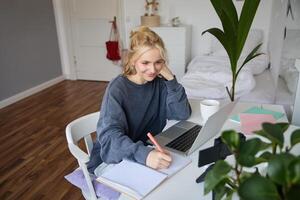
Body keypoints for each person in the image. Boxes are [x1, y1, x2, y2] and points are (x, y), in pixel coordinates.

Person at [88, 26, 191, 173]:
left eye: (159, 62)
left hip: (145, 152)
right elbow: (110, 138)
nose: (153, 70)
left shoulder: (161, 83)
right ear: (132, 61)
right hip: (114, 159)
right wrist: (145, 155)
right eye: (145, 63)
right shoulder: (117, 88)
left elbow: (182, 114)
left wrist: (170, 79)